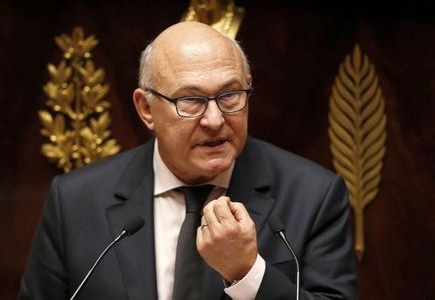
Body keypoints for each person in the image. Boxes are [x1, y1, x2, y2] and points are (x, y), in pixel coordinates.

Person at [19, 22, 357, 299]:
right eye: (191, 100)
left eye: (230, 95)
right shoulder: (75, 201)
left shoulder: (314, 195)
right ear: (146, 109)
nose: (214, 119)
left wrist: (248, 274)